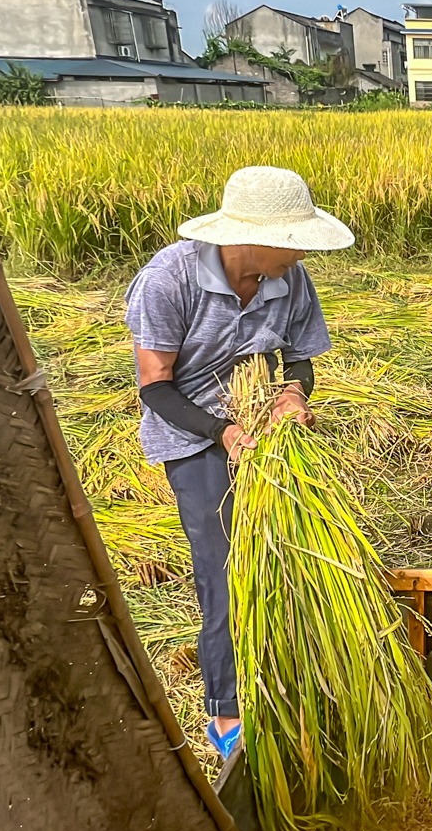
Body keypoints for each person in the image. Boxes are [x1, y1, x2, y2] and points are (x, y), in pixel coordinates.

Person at [123, 166, 355, 759]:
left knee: (300, 551)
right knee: (224, 570)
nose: (303, 252)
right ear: (250, 236)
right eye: (294, 240)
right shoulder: (168, 280)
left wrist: (294, 394)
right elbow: (155, 387)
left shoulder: (289, 279)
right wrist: (221, 431)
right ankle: (226, 712)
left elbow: (300, 358)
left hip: (264, 427)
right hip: (194, 432)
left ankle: (294, 681)